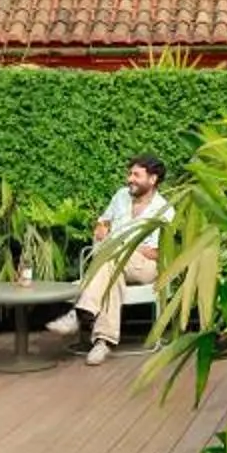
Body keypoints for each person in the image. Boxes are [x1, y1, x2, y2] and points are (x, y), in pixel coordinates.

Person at [63, 154, 168, 365]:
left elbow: (158, 252)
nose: (130, 179)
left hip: (145, 267)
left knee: (112, 255)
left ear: (153, 179)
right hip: (113, 263)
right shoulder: (121, 196)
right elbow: (103, 221)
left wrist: (124, 246)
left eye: (136, 175)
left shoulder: (165, 210)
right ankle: (103, 342)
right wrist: (101, 228)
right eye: (130, 174)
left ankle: (81, 313)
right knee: (112, 270)